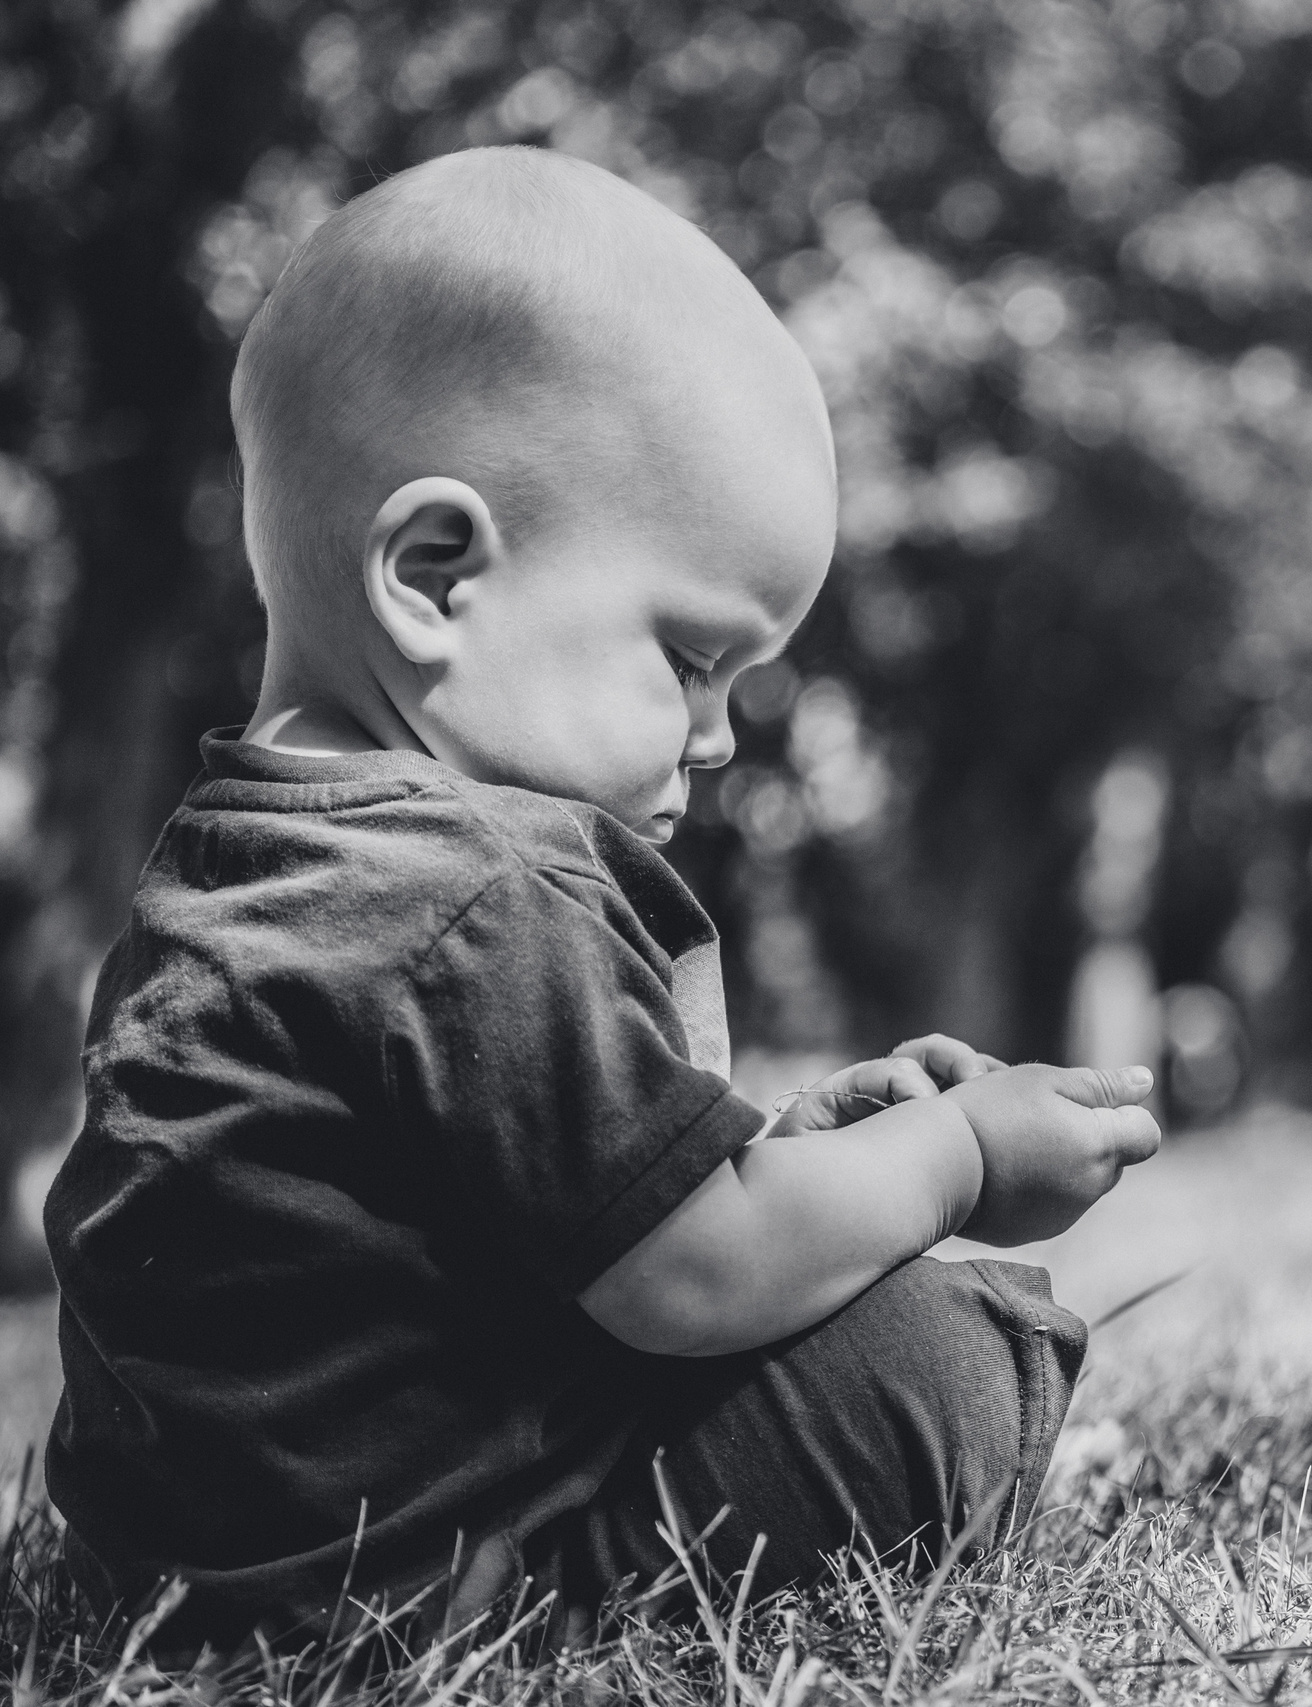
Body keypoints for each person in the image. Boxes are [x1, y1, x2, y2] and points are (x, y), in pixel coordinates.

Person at [42, 146, 1161, 1647]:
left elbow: (516, 1212)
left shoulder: (231, 866)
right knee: (943, 1352)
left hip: (197, 1588)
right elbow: (691, 1278)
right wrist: (954, 1154)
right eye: (694, 660)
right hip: (457, 1586)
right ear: (436, 578)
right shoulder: (484, 889)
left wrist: (793, 1156)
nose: (719, 735)